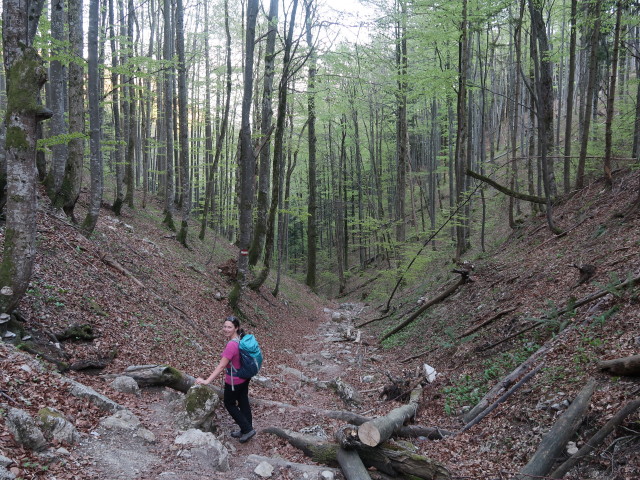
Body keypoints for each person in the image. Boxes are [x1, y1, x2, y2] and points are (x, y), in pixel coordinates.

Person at [195, 316, 255, 443]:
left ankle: (247, 429)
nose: (226, 329)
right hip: (244, 377)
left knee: (229, 404)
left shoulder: (232, 345)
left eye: (229, 327)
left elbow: (222, 366)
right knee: (243, 401)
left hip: (235, 380)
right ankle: (247, 429)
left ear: (236, 328)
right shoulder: (240, 339)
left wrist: (207, 381)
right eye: (225, 326)